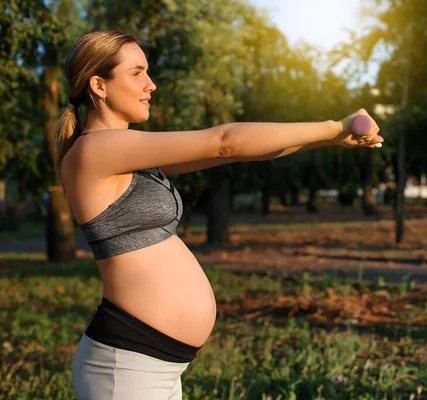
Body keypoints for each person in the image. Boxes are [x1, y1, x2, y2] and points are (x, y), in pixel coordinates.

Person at [57, 30, 383, 400]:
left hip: (153, 363)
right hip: (127, 366)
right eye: (136, 73)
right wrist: (334, 125)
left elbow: (244, 151)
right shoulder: (93, 151)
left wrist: (330, 138)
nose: (151, 85)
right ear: (99, 85)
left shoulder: (132, 157)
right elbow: (223, 142)